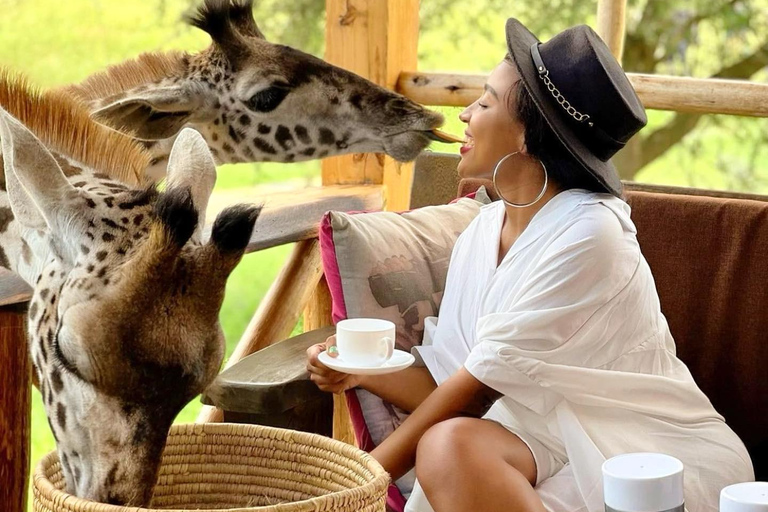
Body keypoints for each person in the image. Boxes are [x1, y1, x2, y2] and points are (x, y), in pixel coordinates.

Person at [306, 19, 754, 512]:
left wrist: (345, 490)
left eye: (485, 102)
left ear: (527, 136)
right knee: (452, 449)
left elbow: (471, 395)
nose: (464, 116)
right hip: (542, 447)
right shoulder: (482, 231)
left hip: (645, 454)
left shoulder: (590, 234)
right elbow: (451, 383)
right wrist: (360, 372)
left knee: (448, 447)